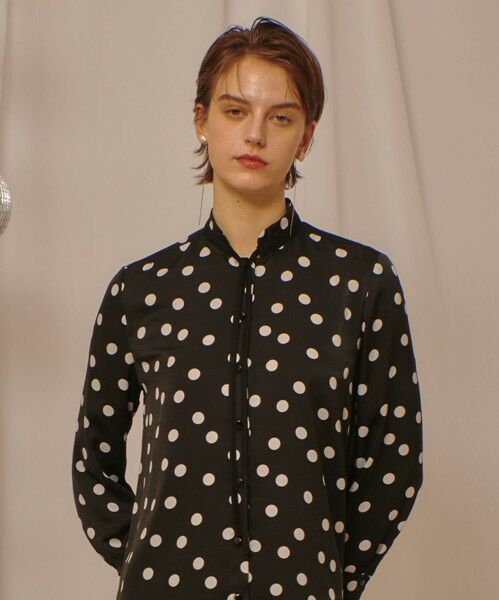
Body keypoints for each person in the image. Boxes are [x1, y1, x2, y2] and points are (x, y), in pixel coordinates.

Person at [72, 16, 423, 600]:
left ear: (306, 137)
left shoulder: (360, 284)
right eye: (235, 111)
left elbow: (394, 463)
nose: (255, 135)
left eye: (280, 118)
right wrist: (146, 559)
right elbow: (94, 458)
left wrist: (326, 576)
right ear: (201, 119)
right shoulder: (142, 290)